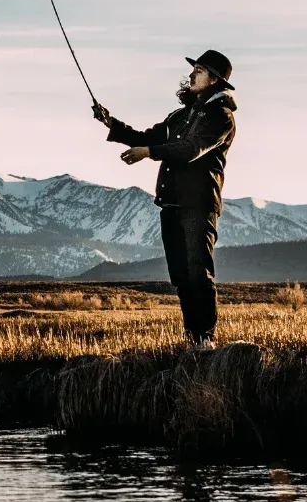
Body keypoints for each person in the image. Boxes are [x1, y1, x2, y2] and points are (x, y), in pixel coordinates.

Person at [92, 50, 237, 349]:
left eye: (199, 70)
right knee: (181, 276)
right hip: (171, 203)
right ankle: (193, 339)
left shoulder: (221, 118)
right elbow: (150, 136)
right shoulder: (180, 115)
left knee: (198, 272)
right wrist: (111, 124)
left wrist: (148, 153)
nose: (192, 74)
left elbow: (190, 149)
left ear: (214, 80)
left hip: (199, 204)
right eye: (194, 69)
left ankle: (206, 340)